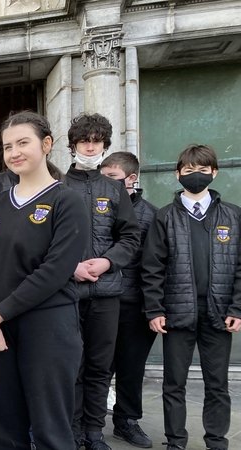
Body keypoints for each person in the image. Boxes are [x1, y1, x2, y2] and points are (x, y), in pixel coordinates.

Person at [0, 111, 88, 450]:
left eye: (23, 143)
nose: (14, 153)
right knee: (3, 429)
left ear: (46, 144)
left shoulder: (67, 201)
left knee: (51, 429)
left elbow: (55, 270)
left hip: (48, 326)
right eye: (8, 146)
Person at [142, 144, 241, 450]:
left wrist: (237, 307)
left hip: (218, 313)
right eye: (188, 170)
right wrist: (154, 309)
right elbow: (152, 267)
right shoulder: (165, 217)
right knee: (174, 385)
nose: (195, 175)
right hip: (177, 313)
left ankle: (216, 442)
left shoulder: (234, 216)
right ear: (177, 174)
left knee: (217, 384)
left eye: (202, 169)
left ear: (214, 172)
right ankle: (175, 442)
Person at [64, 113, 140, 450]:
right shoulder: (57, 187)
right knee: (70, 366)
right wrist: (71, 267)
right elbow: (45, 243)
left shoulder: (114, 189)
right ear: (73, 145)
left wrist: (108, 261)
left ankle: (94, 433)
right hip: (66, 292)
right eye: (84, 140)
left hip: (107, 293)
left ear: (104, 145)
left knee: (98, 367)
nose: (90, 146)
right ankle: (71, 431)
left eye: (96, 141)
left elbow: (131, 237)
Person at [99, 152, 158, 448]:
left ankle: (126, 421)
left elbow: (157, 264)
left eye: (112, 177)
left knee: (132, 368)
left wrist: (156, 308)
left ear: (131, 178)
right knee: (97, 368)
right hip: (101, 302)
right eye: (103, 176)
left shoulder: (152, 214)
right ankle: (91, 425)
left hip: (137, 305)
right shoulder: (96, 208)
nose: (105, 183)